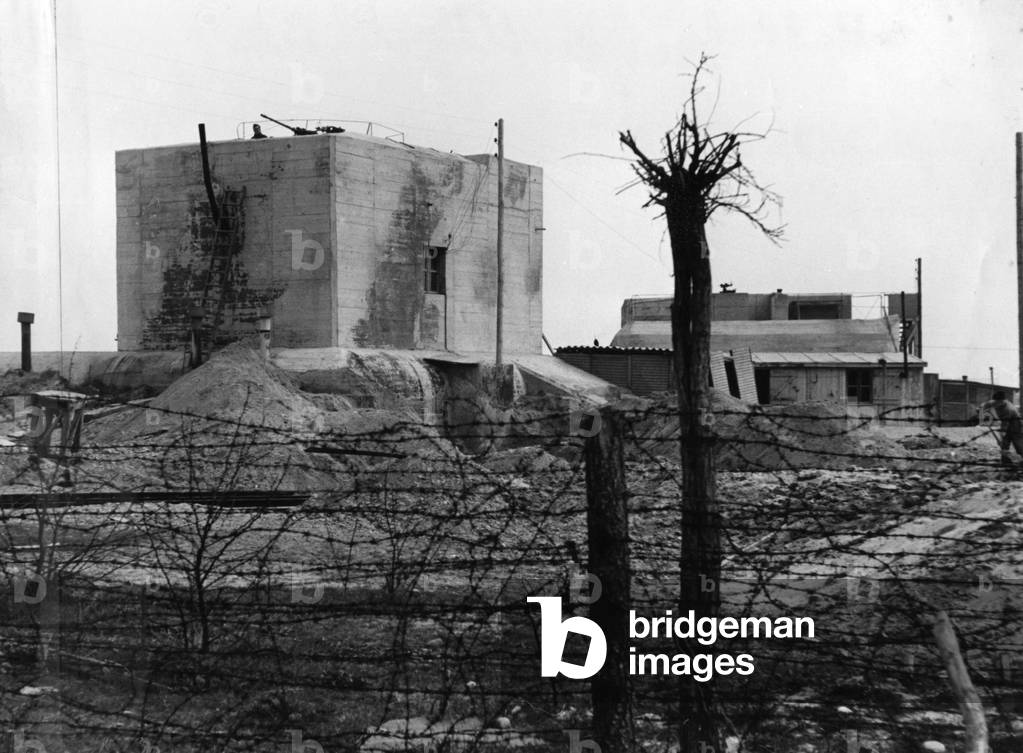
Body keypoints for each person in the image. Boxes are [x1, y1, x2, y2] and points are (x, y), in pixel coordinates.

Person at [979, 391, 1023, 465]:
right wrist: (981, 410)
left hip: (1015, 424)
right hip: (1005, 422)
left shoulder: (1008, 409)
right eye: (995, 402)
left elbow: (1004, 425)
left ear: (1002, 401)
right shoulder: (993, 402)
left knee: (1017, 442)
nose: (996, 404)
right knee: (1005, 443)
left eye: (998, 402)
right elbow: (984, 405)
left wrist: (1002, 435)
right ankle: (1005, 459)